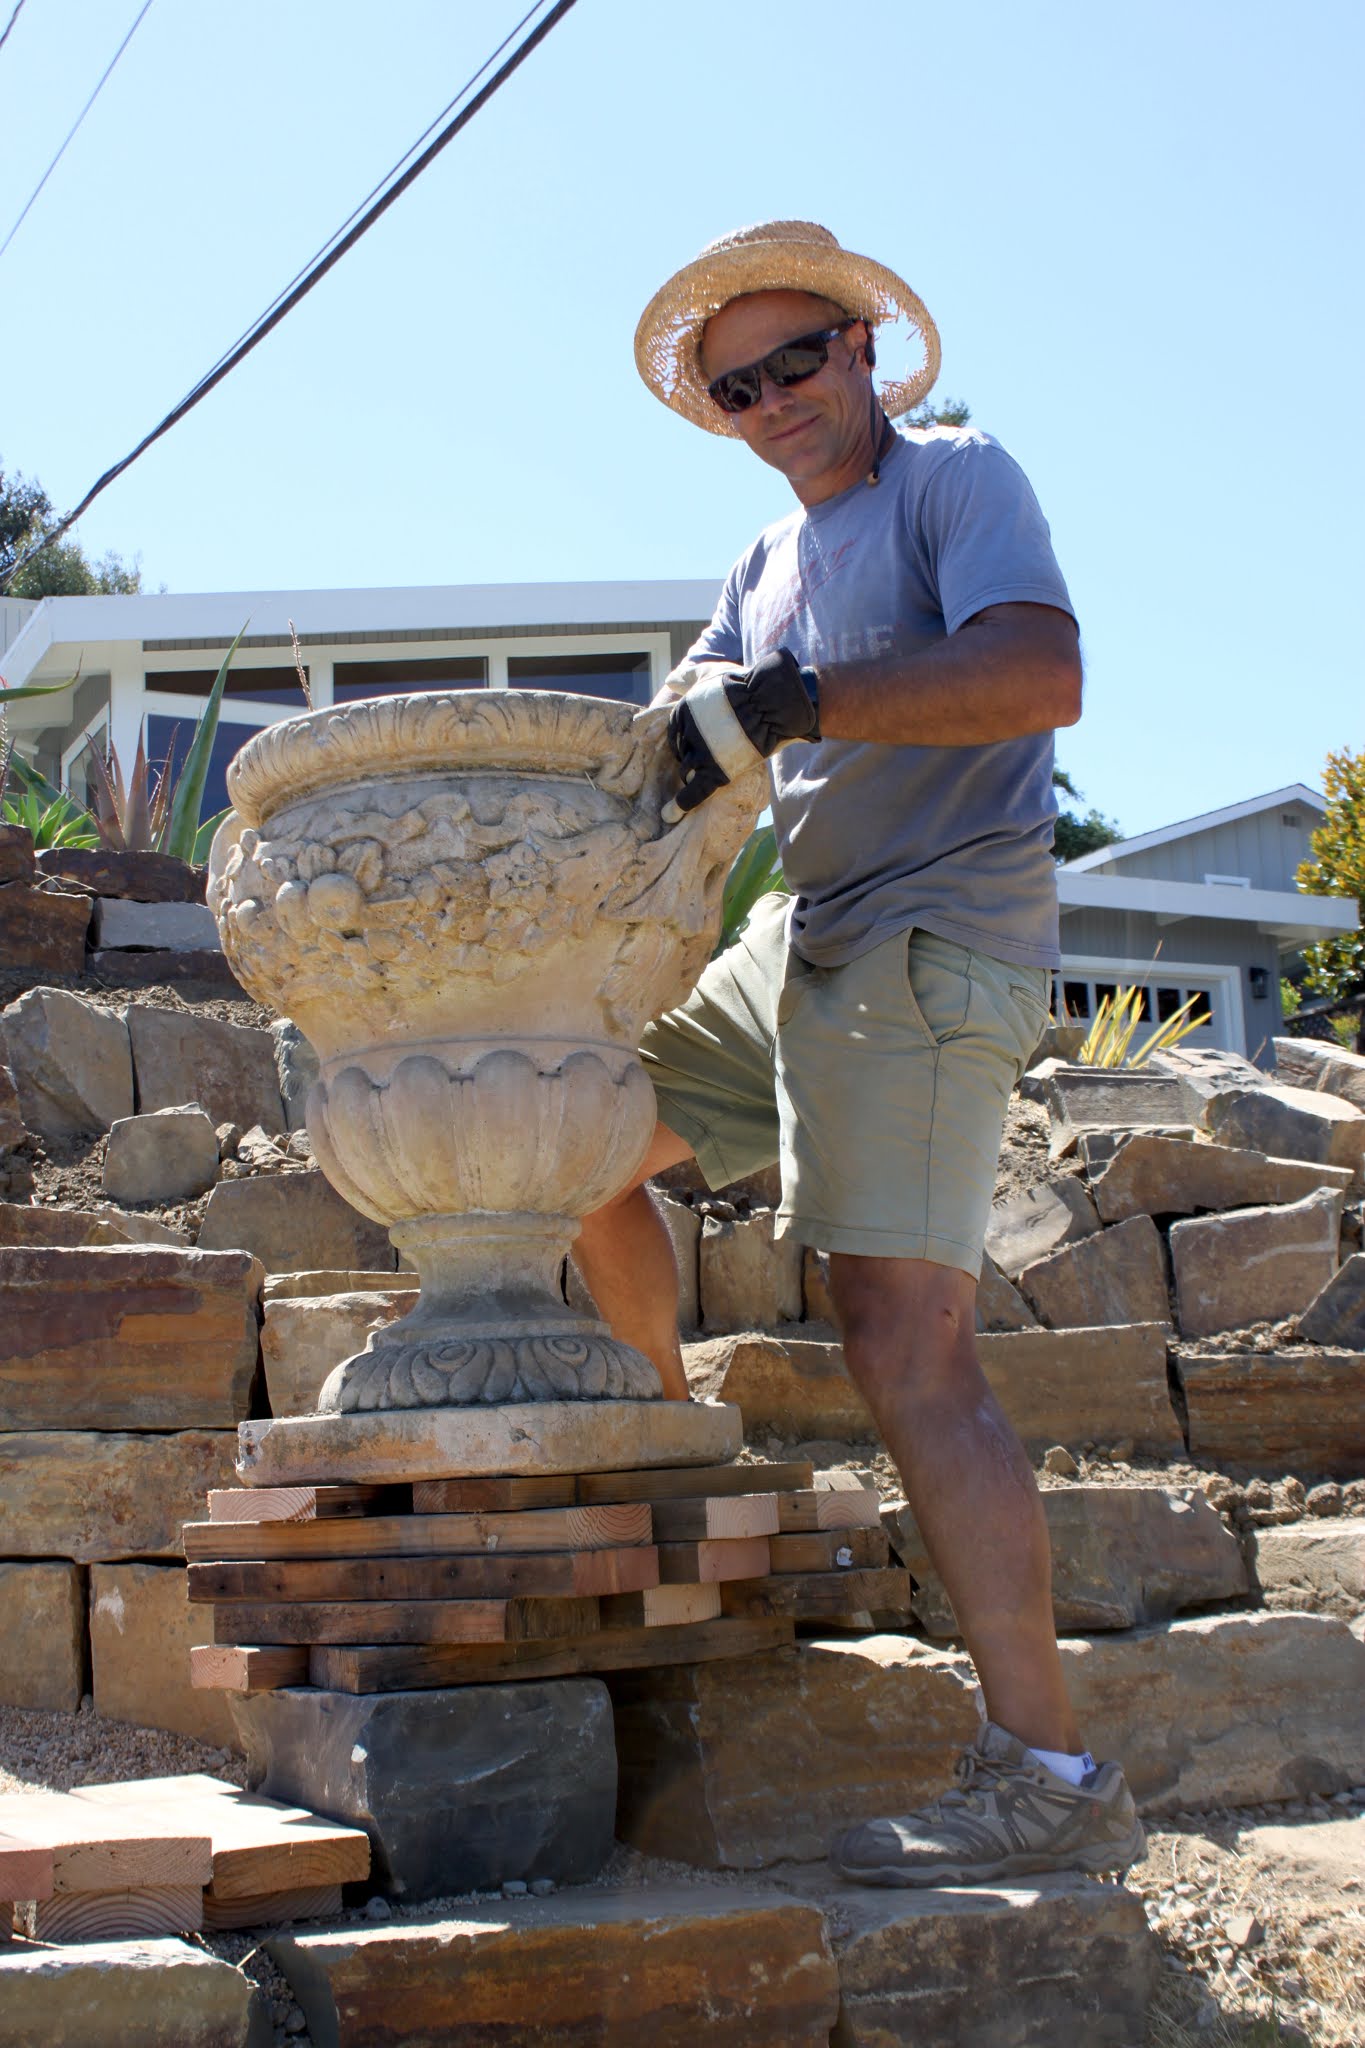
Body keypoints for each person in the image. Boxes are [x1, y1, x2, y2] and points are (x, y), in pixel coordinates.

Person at [574, 220, 1145, 1887]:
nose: (773, 399)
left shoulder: (958, 482)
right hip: (799, 937)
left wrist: (790, 702)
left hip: (934, 933)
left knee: (902, 1340)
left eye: (797, 361)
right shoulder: (761, 566)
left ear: (867, 352)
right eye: (735, 384)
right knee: (566, 1142)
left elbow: (1042, 672)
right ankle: (675, 1452)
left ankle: (1047, 1772)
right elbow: (676, 753)